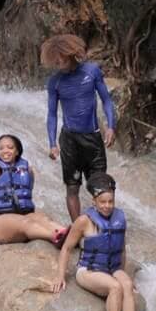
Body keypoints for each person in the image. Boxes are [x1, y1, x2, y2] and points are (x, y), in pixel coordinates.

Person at [42, 35, 117, 222]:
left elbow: (106, 100)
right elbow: (52, 114)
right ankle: (78, 229)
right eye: (55, 62)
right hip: (69, 140)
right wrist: (52, 143)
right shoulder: (55, 82)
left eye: (61, 60)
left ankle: (104, 224)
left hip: (92, 137)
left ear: (71, 54)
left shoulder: (91, 71)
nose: (58, 64)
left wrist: (111, 126)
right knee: (72, 187)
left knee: (102, 185)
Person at [52, 173, 135, 311]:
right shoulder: (84, 221)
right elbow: (66, 248)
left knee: (127, 284)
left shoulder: (119, 218)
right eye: (102, 202)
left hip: (112, 269)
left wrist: (122, 272)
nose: (107, 206)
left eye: (111, 201)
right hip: (88, 271)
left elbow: (121, 249)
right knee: (115, 286)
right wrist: (60, 276)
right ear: (94, 201)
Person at [0, 134, 69, 246]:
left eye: (10, 147)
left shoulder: (28, 170)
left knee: (43, 218)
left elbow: (27, 191)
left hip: (20, 215)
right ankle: (54, 236)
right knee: (25, 223)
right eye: (1, 148)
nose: (5, 151)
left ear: (17, 151)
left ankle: (68, 234)